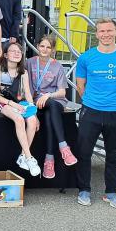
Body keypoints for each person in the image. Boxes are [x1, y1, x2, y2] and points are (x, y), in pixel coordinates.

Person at [75, 18, 116, 209]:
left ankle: (111, 192)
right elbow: (80, 85)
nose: (106, 34)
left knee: (114, 155)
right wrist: (94, 101)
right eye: (102, 31)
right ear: (96, 34)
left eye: (110, 31)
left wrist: (115, 100)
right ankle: (84, 190)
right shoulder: (86, 57)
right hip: (91, 111)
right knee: (84, 152)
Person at [27, 35, 77, 179]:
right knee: (50, 110)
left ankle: (50, 159)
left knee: (51, 111)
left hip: (54, 100)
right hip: (36, 100)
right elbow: (26, 87)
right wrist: (33, 109)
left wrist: (48, 96)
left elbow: (62, 91)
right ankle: (63, 148)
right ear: (37, 46)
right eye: (42, 46)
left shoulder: (57, 65)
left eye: (48, 47)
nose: (44, 49)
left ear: (53, 50)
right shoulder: (29, 63)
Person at [0, 42, 41, 177]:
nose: (17, 53)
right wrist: (12, 104)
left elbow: (28, 94)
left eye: (19, 51)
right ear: (6, 55)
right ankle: (29, 158)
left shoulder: (23, 71)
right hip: (3, 102)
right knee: (19, 119)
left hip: (20, 102)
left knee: (31, 120)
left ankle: (22, 155)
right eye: (13, 51)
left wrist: (34, 113)